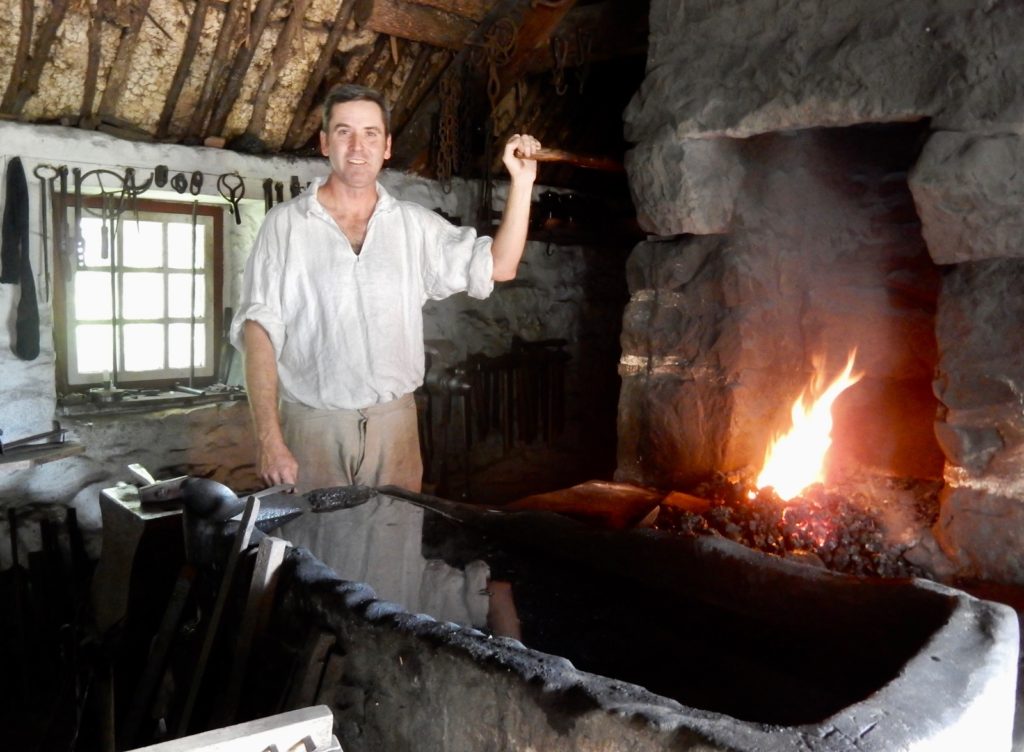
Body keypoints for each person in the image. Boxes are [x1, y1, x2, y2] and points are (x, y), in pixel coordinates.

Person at [231, 83, 541, 494]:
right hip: (314, 429)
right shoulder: (284, 226)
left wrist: (522, 183)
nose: (357, 147)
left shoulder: (415, 226)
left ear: (388, 145)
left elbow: (500, 266)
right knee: (314, 554)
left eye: (370, 133)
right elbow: (259, 333)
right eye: (344, 132)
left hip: (395, 429)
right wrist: (269, 440)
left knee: (393, 552)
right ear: (325, 143)